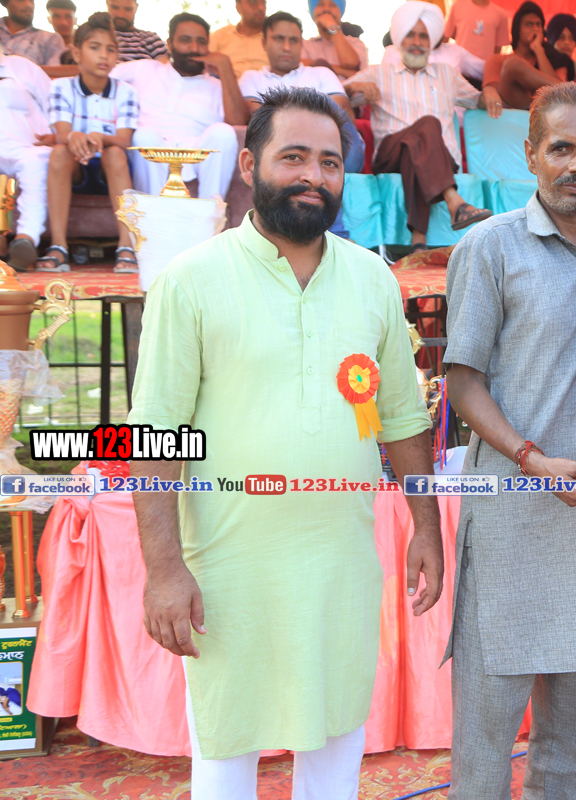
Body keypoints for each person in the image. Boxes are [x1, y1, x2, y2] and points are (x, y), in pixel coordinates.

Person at [128, 86, 442, 800]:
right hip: (227, 568)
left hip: (339, 564)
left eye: (329, 163)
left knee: (336, 740)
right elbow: (153, 435)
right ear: (249, 166)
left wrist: (425, 524)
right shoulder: (191, 280)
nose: (313, 176)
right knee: (226, 745)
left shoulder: (372, 279)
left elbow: (401, 418)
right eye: (293, 157)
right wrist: (164, 569)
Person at [443, 81, 576, 798]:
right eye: (562, 148)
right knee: (486, 734)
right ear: (530, 155)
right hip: (514, 516)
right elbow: (462, 382)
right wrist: (532, 461)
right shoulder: (489, 247)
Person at [344, 5, 494, 251]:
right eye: (410, 35)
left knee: (415, 147)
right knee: (429, 124)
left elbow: (478, 100)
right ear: (399, 39)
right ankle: (454, 201)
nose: (417, 42)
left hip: (440, 159)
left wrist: (490, 88)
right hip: (389, 155)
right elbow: (336, 94)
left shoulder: (446, 74)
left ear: (431, 41)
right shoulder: (378, 73)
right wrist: (352, 89)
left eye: (423, 36)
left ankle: (418, 239)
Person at [39, 12, 138, 274]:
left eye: (110, 50)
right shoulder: (61, 87)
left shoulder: (126, 91)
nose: (104, 56)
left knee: (115, 153)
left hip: (110, 169)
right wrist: (75, 136)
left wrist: (100, 138)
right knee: (60, 151)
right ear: (77, 53)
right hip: (76, 168)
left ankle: (126, 246)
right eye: (95, 48)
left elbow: (124, 140)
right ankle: (59, 246)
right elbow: (62, 133)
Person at [111, 13, 246, 200]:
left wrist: (225, 67)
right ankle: (151, 214)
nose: (194, 48)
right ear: (170, 44)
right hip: (149, 148)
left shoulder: (217, 86)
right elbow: (98, 76)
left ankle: (210, 213)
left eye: (201, 42)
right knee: (144, 134)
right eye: (185, 40)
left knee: (224, 132)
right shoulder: (143, 69)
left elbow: (239, 122)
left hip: (197, 151)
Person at [240, 11, 364, 173]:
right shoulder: (251, 78)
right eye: (279, 39)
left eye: (293, 40)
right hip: (277, 149)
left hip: (327, 147)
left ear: (301, 44)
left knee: (338, 114)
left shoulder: (321, 73)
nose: (286, 47)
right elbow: (258, 120)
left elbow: (343, 116)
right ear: (264, 43)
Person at [0, 44, 53, 270]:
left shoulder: (22, 67)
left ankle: (26, 239)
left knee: (36, 164)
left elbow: (54, 104)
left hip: (30, 148)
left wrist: (58, 135)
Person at [480, 1, 568, 111]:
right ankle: (574, 93)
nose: (535, 28)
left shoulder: (555, 59)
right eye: (529, 24)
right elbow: (497, 95)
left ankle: (573, 94)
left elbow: (558, 93)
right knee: (512, 64)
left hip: (547, 110)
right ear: (517, 29)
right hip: (513, 110)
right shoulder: (496, 60)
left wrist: (538, 50)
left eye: (538, 24)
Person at [301, 0, 365, 82]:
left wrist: (332, 26)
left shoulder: (355, 43)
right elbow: (298, 67)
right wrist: (345, 71)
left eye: (332, 5)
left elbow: (349, 62)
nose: (326, 9)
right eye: (320, 4)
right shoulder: (305, 45)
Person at [209, 0, 267, 78]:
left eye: (263, 3)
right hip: (225, 84)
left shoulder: (273, 39)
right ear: (238, 6)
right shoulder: (220, 36)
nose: (261, 7)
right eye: (253, 2)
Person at [0, 0, 66, 66]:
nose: (29, 5)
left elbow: (55, 71)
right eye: (21, 0)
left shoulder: (50, 39)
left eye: (31, 1)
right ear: (5, 2)